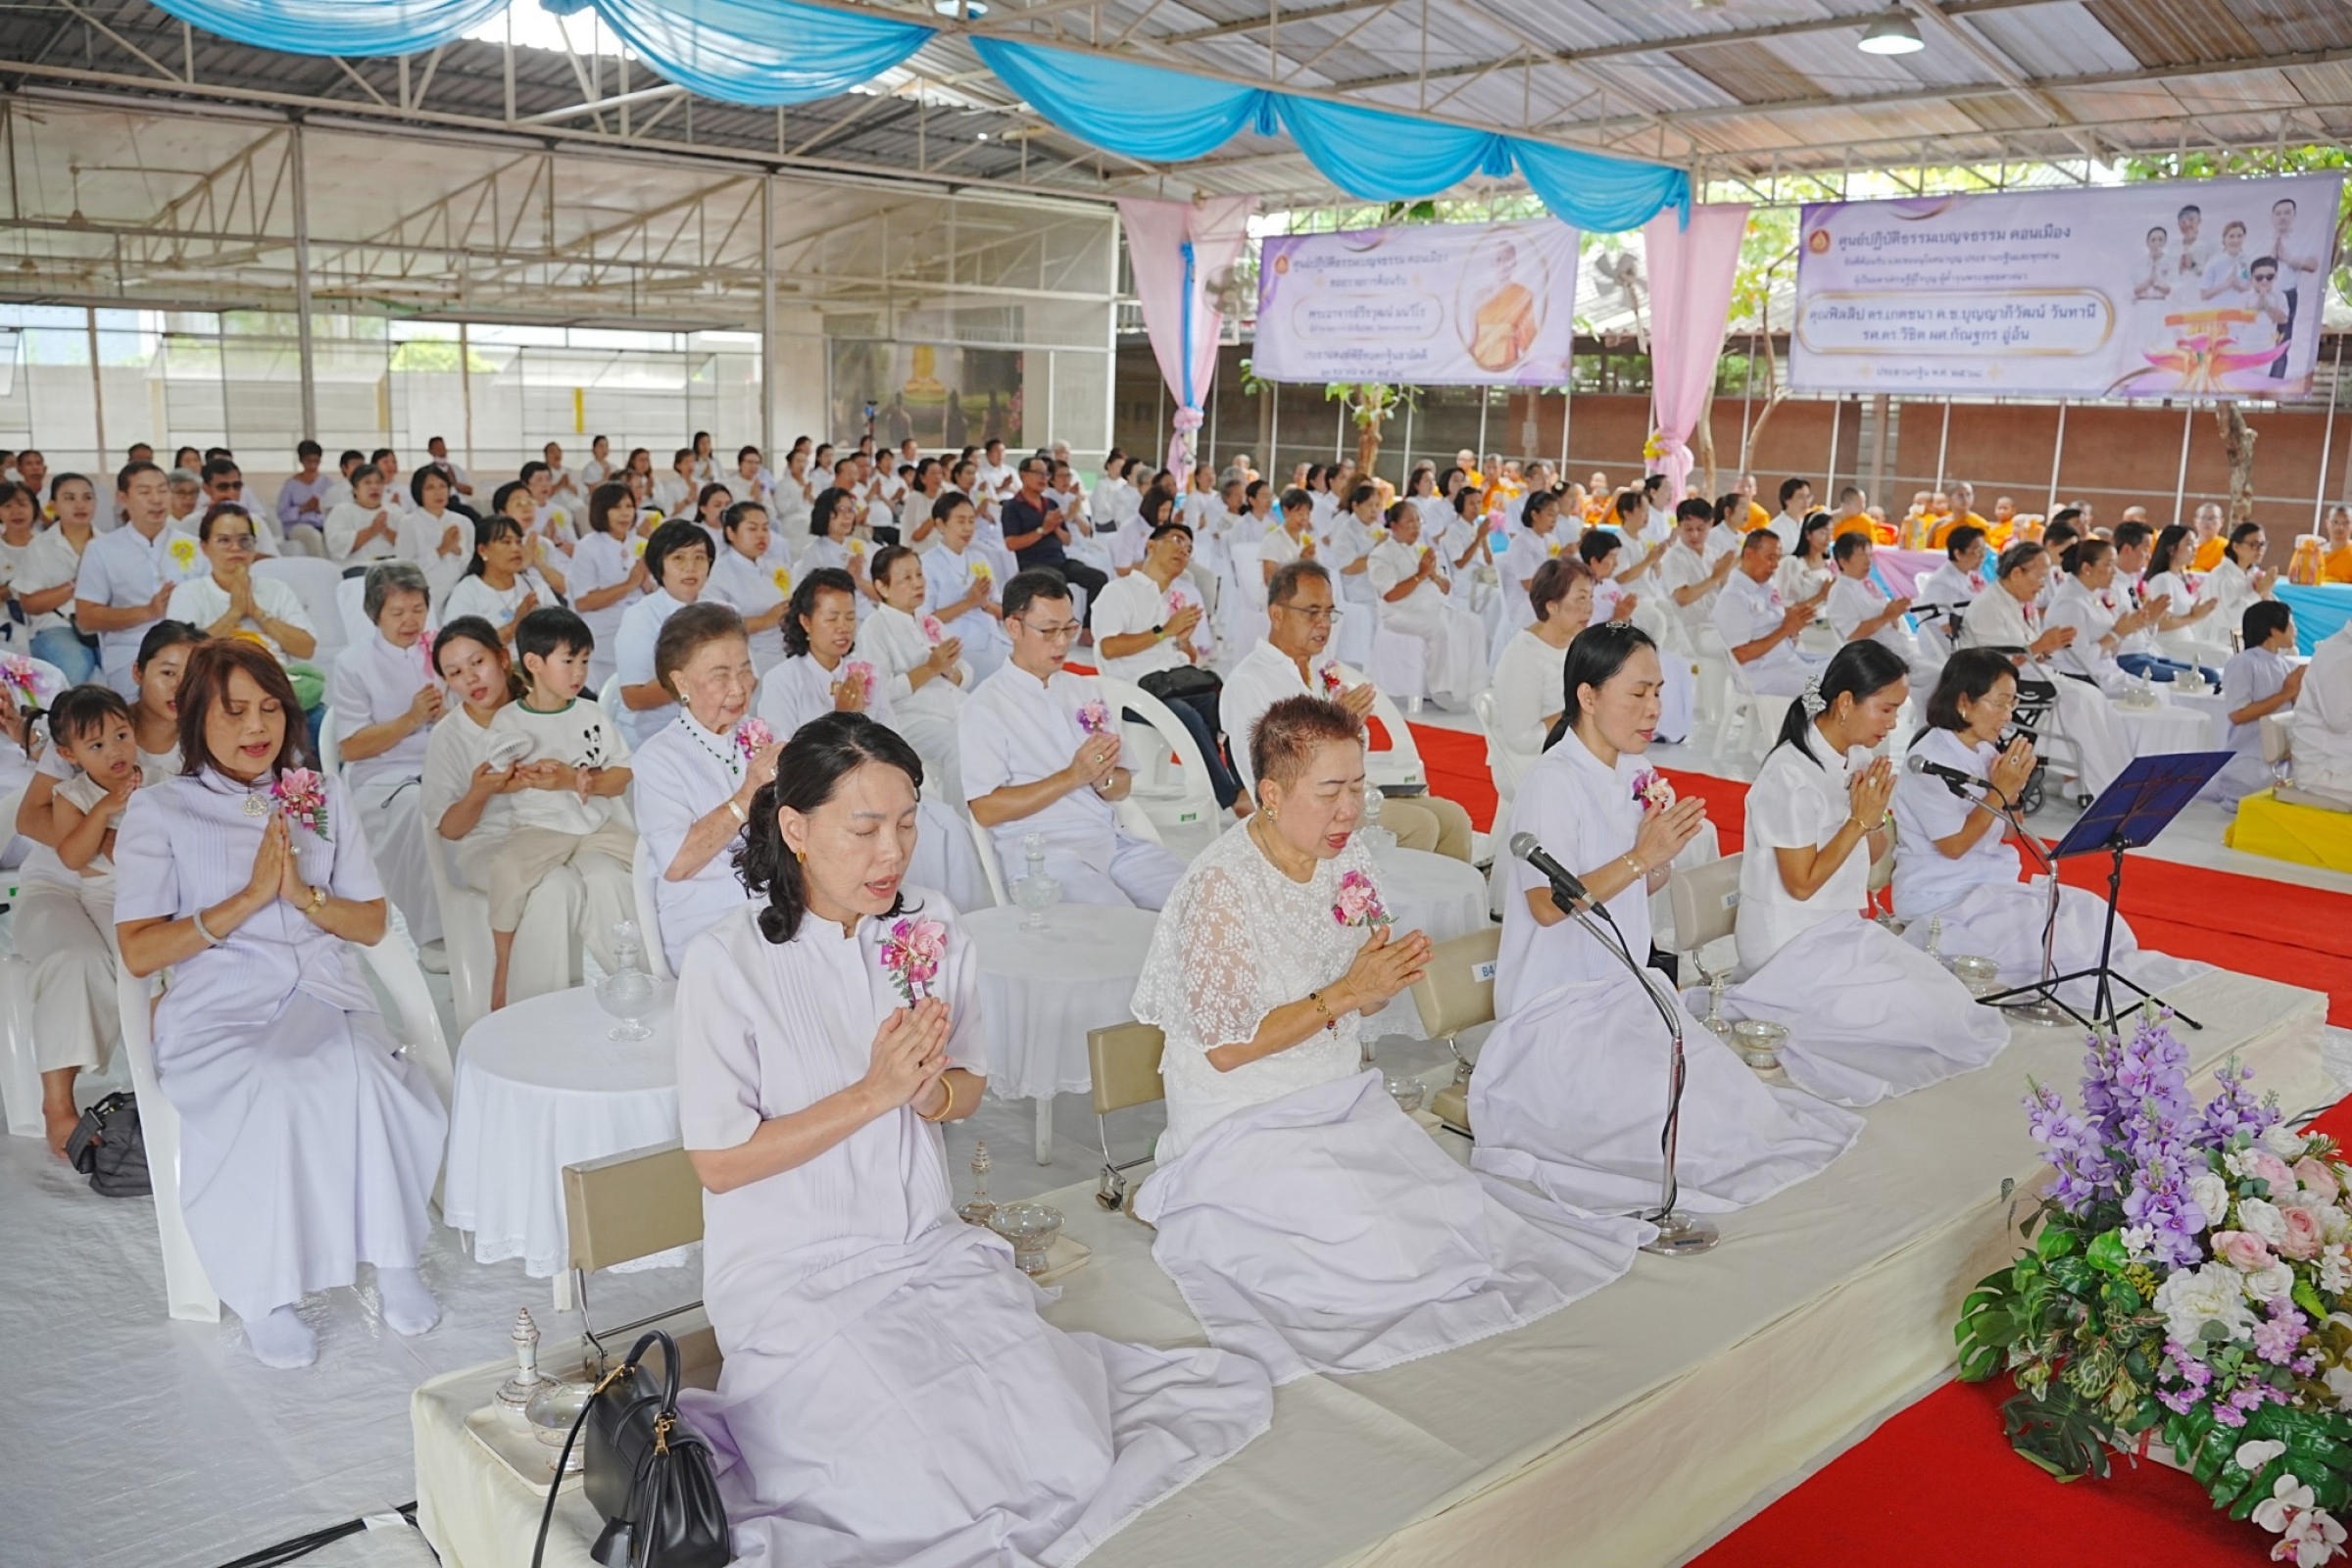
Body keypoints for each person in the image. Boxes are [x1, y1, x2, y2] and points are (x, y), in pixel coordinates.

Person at [672, 710, 1269, 1559]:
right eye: (866, 827)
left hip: (921, 1244)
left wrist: (925, 1093)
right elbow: (721, 1165)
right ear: (796, 827)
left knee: (1065, 1448)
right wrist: (872, 1092)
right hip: (791, 1273)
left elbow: (967, 1088)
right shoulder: (725, 963)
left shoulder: (933, 926)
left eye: (908, 822)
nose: (893, 853)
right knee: (906, 1490)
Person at [1133, 694, 1646, 1381]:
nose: (1351, 811)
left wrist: (1371, 989)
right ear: (1271, 794)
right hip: (1240, 1114)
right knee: (1364, 1247)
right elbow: (1226, 1050)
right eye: (1331, 792)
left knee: (1445, 1215)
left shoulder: (1350, 863)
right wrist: (1346, 992)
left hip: (1332, 1089)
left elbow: (1356, 1007)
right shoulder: (1221, 888)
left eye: (1359, 787)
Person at [115, 640, 446, 1368]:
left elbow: (367, 922)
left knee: (363, 1068)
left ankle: (394, 1258)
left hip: (325, 992)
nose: (255, 727)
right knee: (272, 1084)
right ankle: (266, 1291)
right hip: (218, 1009)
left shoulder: (320, 796)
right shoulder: (160, 810)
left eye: (270, 707)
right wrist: (245, 901)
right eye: (233, 711)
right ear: (194, 716)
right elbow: (138, 951)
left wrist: (301, 895)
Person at [1473, 623, 1860, 1212]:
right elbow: (1547, 906)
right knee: (1662, 1127)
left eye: (1658, 691)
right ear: (1587, 695)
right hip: (1557, 1007)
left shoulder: (1630, 771)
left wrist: (1657, 860)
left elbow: (1636, 887)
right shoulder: (1551, 784)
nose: (1655, 708)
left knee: (1720, 1102)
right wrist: (1641, 856)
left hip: (1620, 986)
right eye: (1638, 693)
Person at [1729, 642, 2011, 1106]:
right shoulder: (1788, 775)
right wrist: (1859, 820)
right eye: (1886, 709)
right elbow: (1801, 884)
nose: (1894, 723)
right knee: (1904, 1020)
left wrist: (1872, 819)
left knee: (1939, 999)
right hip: (1788, 943)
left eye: (1899, 710)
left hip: (1837, 929)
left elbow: (1876, 850)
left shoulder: (1857, 757)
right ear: (1844, 704)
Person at [1897, 648, 2205, 998]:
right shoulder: (1929, 760)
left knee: (2090, 914)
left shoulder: (1985, 753)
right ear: (1963, 702)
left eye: (2012, 704)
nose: (2007, 715)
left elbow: (2010, 833)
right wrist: (2001, 791)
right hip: (1944, 899)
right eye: (1999, 703)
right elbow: (1953, 846)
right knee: (2058, 944)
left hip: (1993, 889)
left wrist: (2013, 794)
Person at [757, 567, 992, 914]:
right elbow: (784, 762)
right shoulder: (783, 680)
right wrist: (842, 717)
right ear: (805, 622)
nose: (843, 627)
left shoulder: (865, 671)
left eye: (850, 617)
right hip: (827, 802)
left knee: (945, 825)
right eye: (832, 617)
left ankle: (955, 920)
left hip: (881, 792)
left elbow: (891, 739)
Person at [1223, 560, 1477, 861]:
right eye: (1312, 611)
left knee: (1453, 819)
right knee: (1420, 826)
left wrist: (1350, 727)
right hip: (1304, 810)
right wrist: (1333, 725)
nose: (1323, 623)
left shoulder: (1322, 670)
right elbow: (1267, 775)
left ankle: (1441, 908)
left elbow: (1356, 750)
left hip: (1346, 791)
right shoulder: (1249, 682)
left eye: (1329, 612)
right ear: (1277, 615)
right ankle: (1377, 907)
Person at [959, 569, 1185, 908]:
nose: (1062, 642)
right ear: (1014, 628)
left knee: (1202, 901)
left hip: (1111, 841)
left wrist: (1102, 776)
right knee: (1121, 927)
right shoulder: (985, 706)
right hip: (1043, 853)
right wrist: (1072, 776)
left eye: (1069, 629)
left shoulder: (1084, 690)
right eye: (1049, 631)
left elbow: (1121, 786)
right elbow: (986, 810)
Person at [13, 686, 161, 1154]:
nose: (114, 750)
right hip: (75, 890)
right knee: (84, 958)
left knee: (167, 966)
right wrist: (105, 816)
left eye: (121, 736)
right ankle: (57, 1105)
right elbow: (70, 852)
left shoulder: (161, 772)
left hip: (145, 891)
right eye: (97, 745)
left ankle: (169, 1082)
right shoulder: (75, 785)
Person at [484, 608, 634, 1010]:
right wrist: (525, 777)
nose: (579, 672)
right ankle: (503, 971)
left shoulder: (592, 714)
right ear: (533, 663)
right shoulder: (508, 720)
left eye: (584, 661)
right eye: (568, 661)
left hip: (593, 827)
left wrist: (576, 780)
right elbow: (497, 780)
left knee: (649, 859)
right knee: (508, 873)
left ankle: (643, 972)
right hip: (540, 828)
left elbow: (622, 774)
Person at [629, 603, 782, 972]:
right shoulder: (658, 758)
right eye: (720, 675)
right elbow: (678, 863)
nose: (739, 688)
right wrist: (747, 797)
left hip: (775, 910)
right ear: (682, 682)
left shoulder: (761, 736)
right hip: (707, 925)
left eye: (745, 671)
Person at [329, 562, 445, 960]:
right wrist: (412, 719)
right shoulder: (353, 663)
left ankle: (486, 920)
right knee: (417, 810)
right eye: (398, 613)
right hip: (383, 776)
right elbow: (352, 747)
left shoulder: (444, 649)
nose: (410, 621)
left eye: (418, 609)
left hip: (444, 765)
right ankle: (434, 935)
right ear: (375, 613)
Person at [1089, 520, 1242, 811]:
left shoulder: (1175, 599)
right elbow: (1108, 648)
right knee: (1185, 715)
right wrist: (1165, 630)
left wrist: (1182, 641)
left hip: (1174, 684)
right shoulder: (1119, 591)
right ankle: (1230, 798)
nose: (1183, 550)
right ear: (1150, 545)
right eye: (1176, 540)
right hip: (1135, 692)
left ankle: (1247, 788)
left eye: (1189, 548)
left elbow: (1190, 660)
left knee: (1231, 709)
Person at [854, 544, 969, 804]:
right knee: (959, 747)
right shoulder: (875, 628)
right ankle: (963, 827)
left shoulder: (928, 621)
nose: (918, 583)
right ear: (882, 587)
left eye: (919, 575)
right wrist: (929, 668)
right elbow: (878, 692)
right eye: (907, 578)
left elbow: (966, 671)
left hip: (956, 709)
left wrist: (947, 670)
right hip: (912, 720)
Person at [1363, 504, 1486, 709]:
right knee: (1440, 629)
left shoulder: (1423, 549)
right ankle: (1441, 689)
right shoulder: (1381, 554)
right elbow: (1390, 595)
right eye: (1410, 522)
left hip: (1432, 607)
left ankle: (1473, 687)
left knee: (1474, 624)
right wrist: (1420, 575)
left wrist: (1434, 575)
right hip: (1400, 613)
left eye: (1418, 521)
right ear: (1394, 526)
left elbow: (1446, 588)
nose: (1416, 527)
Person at [1489, 558, 1592, 800]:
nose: (1589, 608)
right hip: (1528, 764)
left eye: (1590, 598)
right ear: (1552, 606)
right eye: (1580, 598)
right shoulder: (1523, 656)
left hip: (1569, 753)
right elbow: (1522, 740)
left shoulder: (1574, 644)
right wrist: (1577, 710)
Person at [165, 505, 318, 666]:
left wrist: (258, 613)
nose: (236, 548)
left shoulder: (277, 589)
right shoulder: (189, 593)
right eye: (224, 540)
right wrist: (234, 613)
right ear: (204, 547)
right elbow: (182, 655)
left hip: (274, 681)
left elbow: (306, 649)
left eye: (244, 540)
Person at [75, 460, 177, 696]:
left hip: (190, 651)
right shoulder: (101, 549)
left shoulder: (194, 546)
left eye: (163, 490)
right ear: (123, 498)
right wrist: (148, 611)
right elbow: (86, 617)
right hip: (133, 652)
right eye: (145, 492)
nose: (156, 499)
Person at [612, 518, 713, 748]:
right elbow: (634, 696)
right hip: (654, 732)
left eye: (699, 557)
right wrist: (700, 682)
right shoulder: (640, 616)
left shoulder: (725, 611)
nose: (691, 567)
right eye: (678, 558)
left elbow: (748, 676)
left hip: (714, 725)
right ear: (660, 566)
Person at [2205, 600, 2303, 807]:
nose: (2296, 629)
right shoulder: (2243, 663)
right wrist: (2286, 694)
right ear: (2273, 630)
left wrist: (2298, 696)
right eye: (2291, 623)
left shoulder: (2287, 665)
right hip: (2248, 763)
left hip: (2280, 762)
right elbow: (2238, 714)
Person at [1711, 528, 1826, 697]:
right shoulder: (1733, 596)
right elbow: (1740, 655)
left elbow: (1779, 627)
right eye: (1770, 558)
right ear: (1749, 554)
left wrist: (1794, 627)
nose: (1775, 565)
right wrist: (1785, 630)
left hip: (1786, 661)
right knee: (1833, 684)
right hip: (1761, 674)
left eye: (1778, 558)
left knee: (1847, 666)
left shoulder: (1767, 586)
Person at [1001, 456, 1107, 621]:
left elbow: (1067, 540)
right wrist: (1043, 529)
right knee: (1061, 589)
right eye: (1038, 473)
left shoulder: (1051, 504)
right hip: (1033, 564)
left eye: (1046, 474)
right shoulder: (1011, 507)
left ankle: (1087, 629)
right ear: (1023, 475)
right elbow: (1011, 543)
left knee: (1098, 578)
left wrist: (1055, 527)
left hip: (1060, 560)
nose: (1044, 478)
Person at [920, 491, 1009, 683]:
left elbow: (1002, 611)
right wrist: (969, 603)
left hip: (992, 637)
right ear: (940, 524)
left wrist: (984, 604)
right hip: (957, 642)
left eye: (971, 521)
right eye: (961, 521)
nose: (968, 528)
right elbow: (924, 620)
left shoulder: (980, 558)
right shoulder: (926, 564)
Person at [21, 471, 101, 681]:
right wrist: (76, 584)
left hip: (102, 624)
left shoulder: (109, 544)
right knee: (76, 663)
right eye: (69, 498)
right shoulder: (39, 546)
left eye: (87, 497)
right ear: (53, 505)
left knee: (128, 664)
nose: (80, 505)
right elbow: (29, 604)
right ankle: (64, 715)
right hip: (55, 625)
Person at [442, 510, 561, 648]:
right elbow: (462, 647)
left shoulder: (535, 586)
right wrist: (515, 625)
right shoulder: (467, 591)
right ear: (483, 550)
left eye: (518, 542)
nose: (515, 549)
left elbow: (562, 632)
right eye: (506, 542)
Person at [704, 500, 791, 674]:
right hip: (748, 659)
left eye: (765, 528)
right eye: (752, 529)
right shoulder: (718, 573)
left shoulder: (775, 566)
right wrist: (766, 620)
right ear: (730, 533)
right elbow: (715, 626)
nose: (761, 535)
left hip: (786, 651)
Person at [1825, 532, 1923, 676]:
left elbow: (1892, 624)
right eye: (1861, 556)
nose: (1868, 561)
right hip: (1875, 660)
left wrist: (1895, 612)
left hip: (1895, 650)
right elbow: (1854, 634)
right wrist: (1886, 616)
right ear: (1843, 561)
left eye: (1870, 556)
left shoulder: (1869, 584)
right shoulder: (1840, 592)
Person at [2139, 522, 2226, 671]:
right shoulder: (2163, 579)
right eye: (2189, 544)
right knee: (2225, 656)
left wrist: (2202, 611)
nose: (2195, 550)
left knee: (2231, 651)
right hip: (2168, 647)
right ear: (2171, 549)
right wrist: (2193, 617)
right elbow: (2162, 623)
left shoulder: (2179, 578)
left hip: (2185, 642)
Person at [397, 466, 471, 610]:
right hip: (425, 592)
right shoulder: (409, 523)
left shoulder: (463, 522)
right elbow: (405, 569)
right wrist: (440, 550)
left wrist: (458, 551)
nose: (438, 492)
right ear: (419, 492)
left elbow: (471, 563)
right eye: (430, 488)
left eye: (443, 486)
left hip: (459, 592)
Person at [323, 463, 403, 567]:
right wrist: (372, 530)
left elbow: (409, 545)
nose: (374, 487)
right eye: (367, 483)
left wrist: (386, 531)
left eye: (379, 483)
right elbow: (336, 545)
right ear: (355, 489)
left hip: (395, 565)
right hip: (357, 566)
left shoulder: (395, 510)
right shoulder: (341, 511)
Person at [273, 440, 334, 554]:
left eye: (316, 461)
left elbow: (334, 509)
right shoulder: (291, 485)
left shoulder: (327, 483)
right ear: (301, 461)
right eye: (308, 461)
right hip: (298, 527)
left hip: (323, 525)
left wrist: (319, 507)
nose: (312, 466)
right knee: (312, 536)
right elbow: (281, 514)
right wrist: (303, 508)